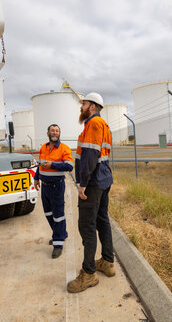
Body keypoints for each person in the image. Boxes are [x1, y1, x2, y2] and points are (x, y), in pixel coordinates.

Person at [67, 92, 115, 293]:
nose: (81, 107)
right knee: (102, 220)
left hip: (93, 182)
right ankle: (107, 262)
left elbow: (91, 156)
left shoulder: (93, 125)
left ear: (93, 106)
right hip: (104, 179)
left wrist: (83, 183)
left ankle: (88, 274)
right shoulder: (103, 125)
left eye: (84, 103)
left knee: (87, 225)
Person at [34, 124, 74, 259]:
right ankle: (61, 233)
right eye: (52, 130)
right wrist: (36, 178)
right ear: (48, 133)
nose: (55, 132)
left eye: (57, 131)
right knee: (48, 213)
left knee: (58, 215)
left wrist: (52, 165)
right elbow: (40, 165)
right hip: (44, 186)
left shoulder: (64, 148)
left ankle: (58, 244)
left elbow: (69, 166)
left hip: (57, 186)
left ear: (59, 134)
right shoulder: (43, 148)